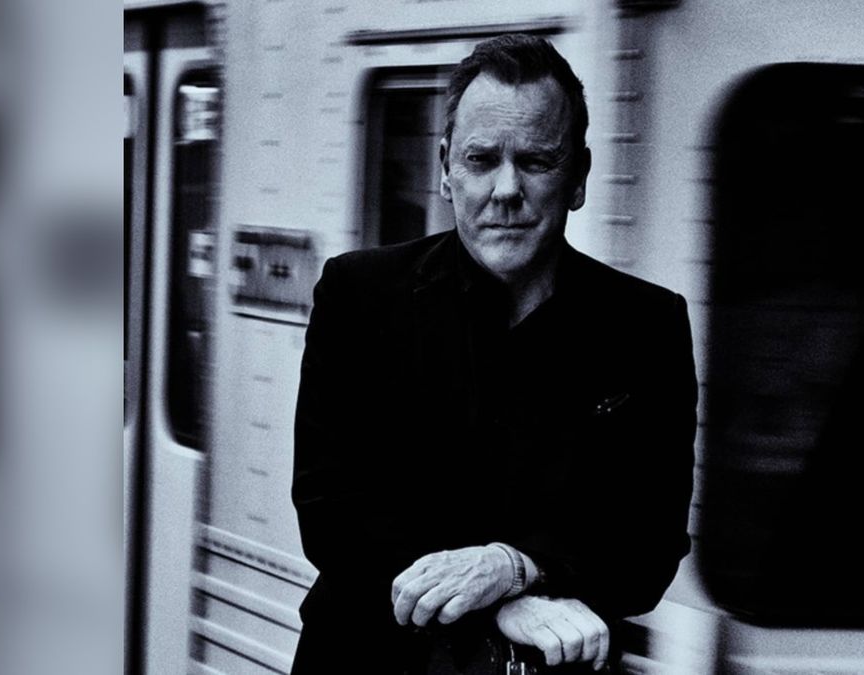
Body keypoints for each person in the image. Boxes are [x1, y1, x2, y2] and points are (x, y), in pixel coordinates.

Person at [291, 34, 697, 674]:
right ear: (445, 170)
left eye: (536, 160)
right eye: (481, 159)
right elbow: (332, 514)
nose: (506, 189)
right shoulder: (359, 296)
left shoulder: (646, 326)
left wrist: (514, 569)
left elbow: (648, 546)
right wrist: (493, 607)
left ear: (579, 177)